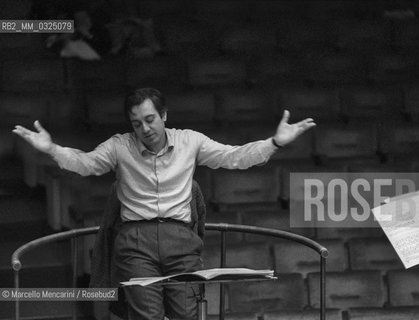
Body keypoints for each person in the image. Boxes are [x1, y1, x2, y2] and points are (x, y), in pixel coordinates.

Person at [12, 88, 316, 320]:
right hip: (135, 243)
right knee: (146, 316)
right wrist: (51, 148)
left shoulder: (190, 141)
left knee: (187, 314)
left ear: (164, 115)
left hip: (181, 240)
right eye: (136, 123)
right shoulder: (119, 145)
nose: (144, 129)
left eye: (149, 119)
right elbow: (85, 163)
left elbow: (234, 157)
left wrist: (274, 143)